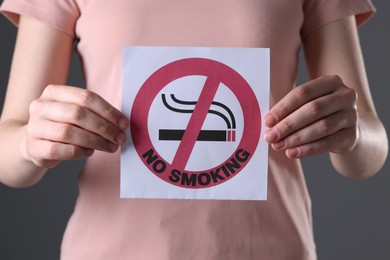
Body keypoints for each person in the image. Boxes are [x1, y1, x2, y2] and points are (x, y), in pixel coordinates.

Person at [0, 0, 387, 259]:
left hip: (272, 248)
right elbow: (9, 147)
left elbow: (368, 148)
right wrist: (30, 143)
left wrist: (349, 131)